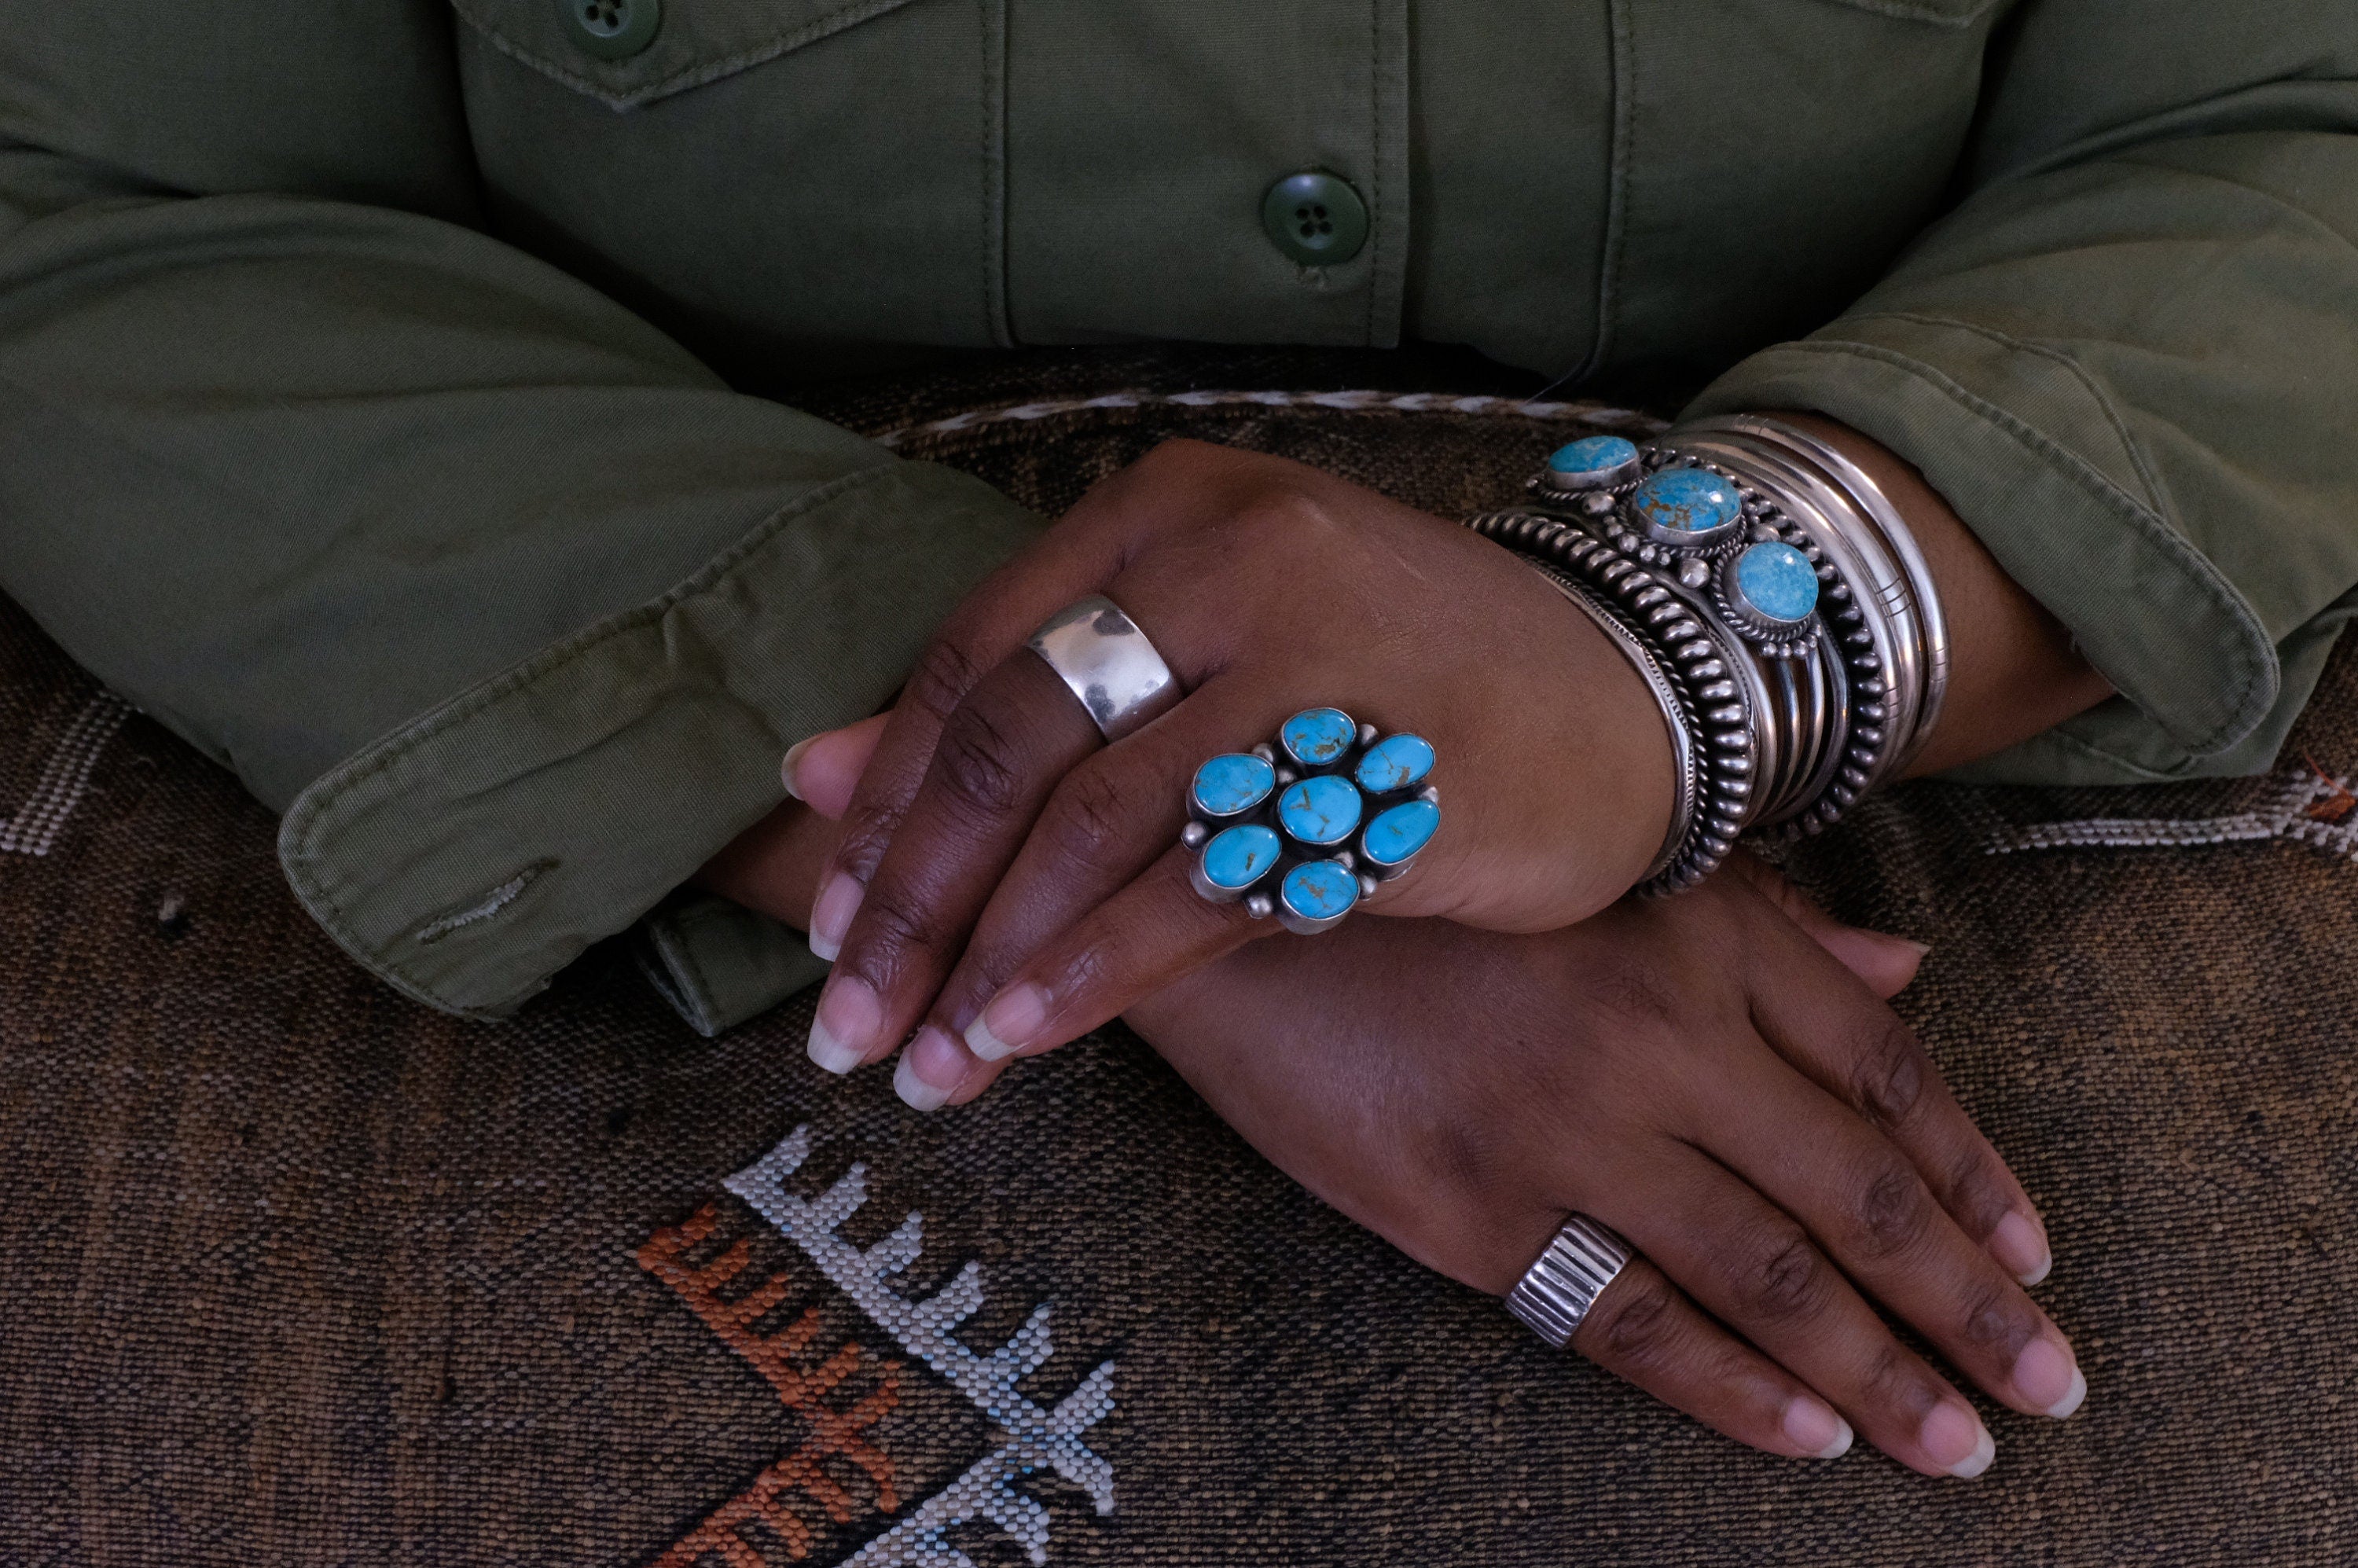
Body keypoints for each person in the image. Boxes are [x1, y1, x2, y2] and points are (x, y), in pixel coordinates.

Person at [4, 0, 2352, 1482]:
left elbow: (2291, 126)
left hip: (1995, 650)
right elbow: (101, 212)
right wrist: (1187, 865)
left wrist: (1672, 657)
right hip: (555, 674)